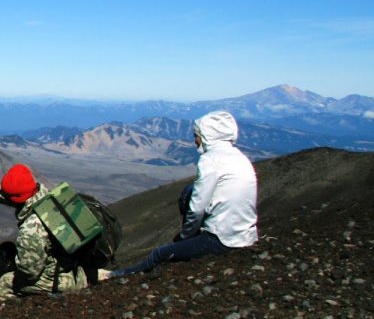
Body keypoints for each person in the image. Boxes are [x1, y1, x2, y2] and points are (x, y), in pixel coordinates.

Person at [100, 110, 257, 280]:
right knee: (189, 190)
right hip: (246, 235)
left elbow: (197, 208)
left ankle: (118, 275)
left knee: (159, 254)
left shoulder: (210, 160)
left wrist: (185, 237)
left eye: (197, 135)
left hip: (221, 239)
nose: (195, 140)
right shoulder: (240, 157)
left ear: (208, 136)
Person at [0, 163, 88, 302]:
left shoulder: (31, 229)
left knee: (6, 281)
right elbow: (3, 193)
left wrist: (10, 265)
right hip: (75, 269)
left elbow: (29, 273)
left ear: (16, 200)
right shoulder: (45, 196)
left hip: (59, 281)